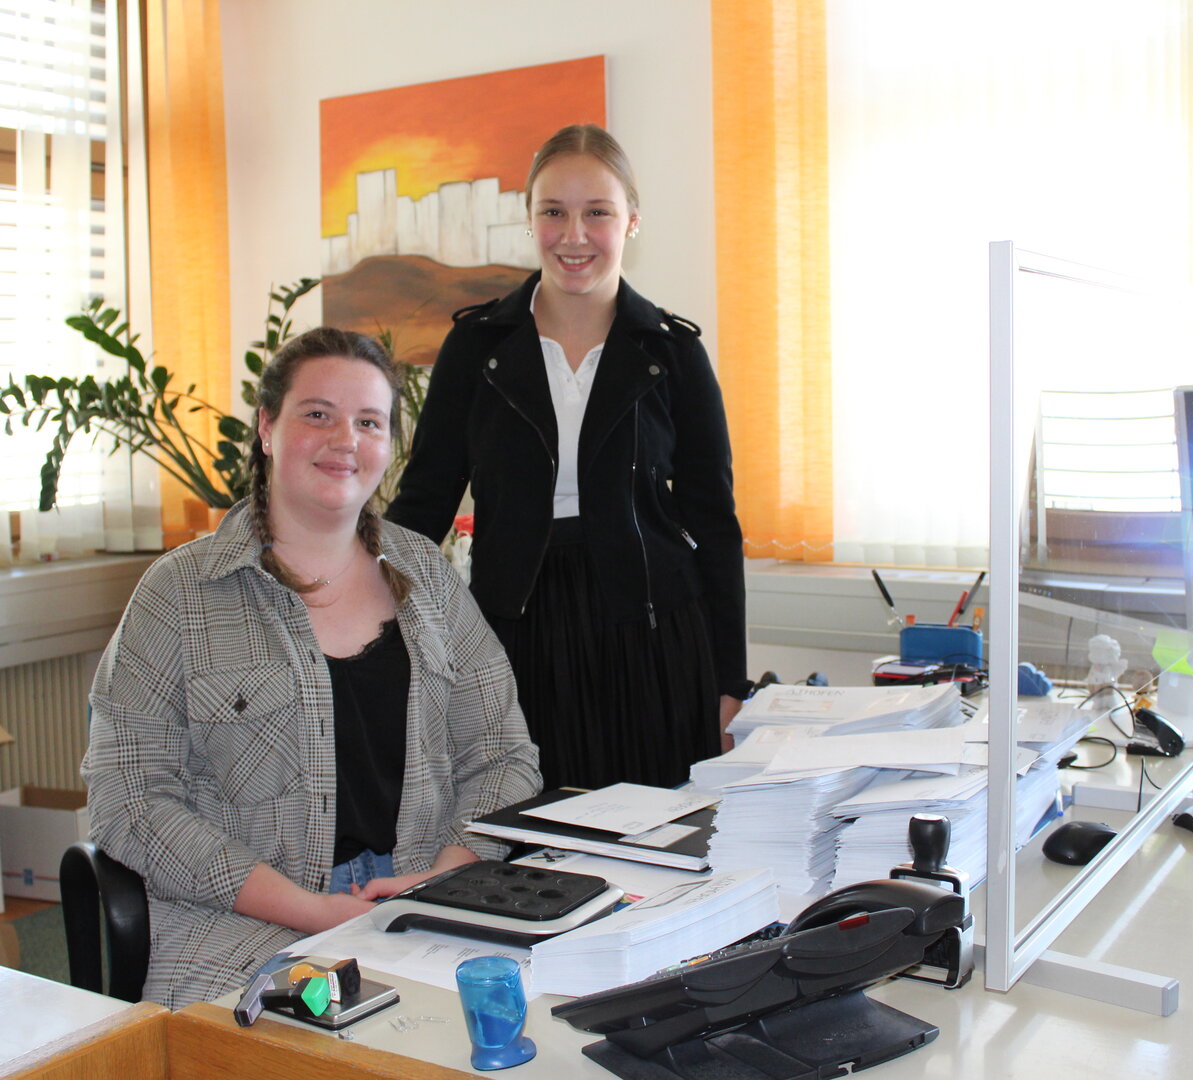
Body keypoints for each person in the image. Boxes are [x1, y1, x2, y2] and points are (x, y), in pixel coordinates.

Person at [83, 327, 541, 1009]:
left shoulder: (430, 580)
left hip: (419, 902)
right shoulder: (177, 595)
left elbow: (504, 756)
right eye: (317, 414)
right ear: (268, 427)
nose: (345, 441)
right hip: (236, 925)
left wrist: (445, 877)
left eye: (369, 422)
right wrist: (308, 911)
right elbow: (131, 802)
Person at [387, 123, 749, 791]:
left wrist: (731, 680)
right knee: (524, 845)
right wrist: (362, 627)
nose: (574, 235)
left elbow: (716, 525)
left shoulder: (673, 353)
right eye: (553, 211)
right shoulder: (476, 349)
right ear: (529, 218)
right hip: (514, 637)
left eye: (598, 212)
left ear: (631, 221)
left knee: (656, 849)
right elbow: (424, 504)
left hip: (654, 636)